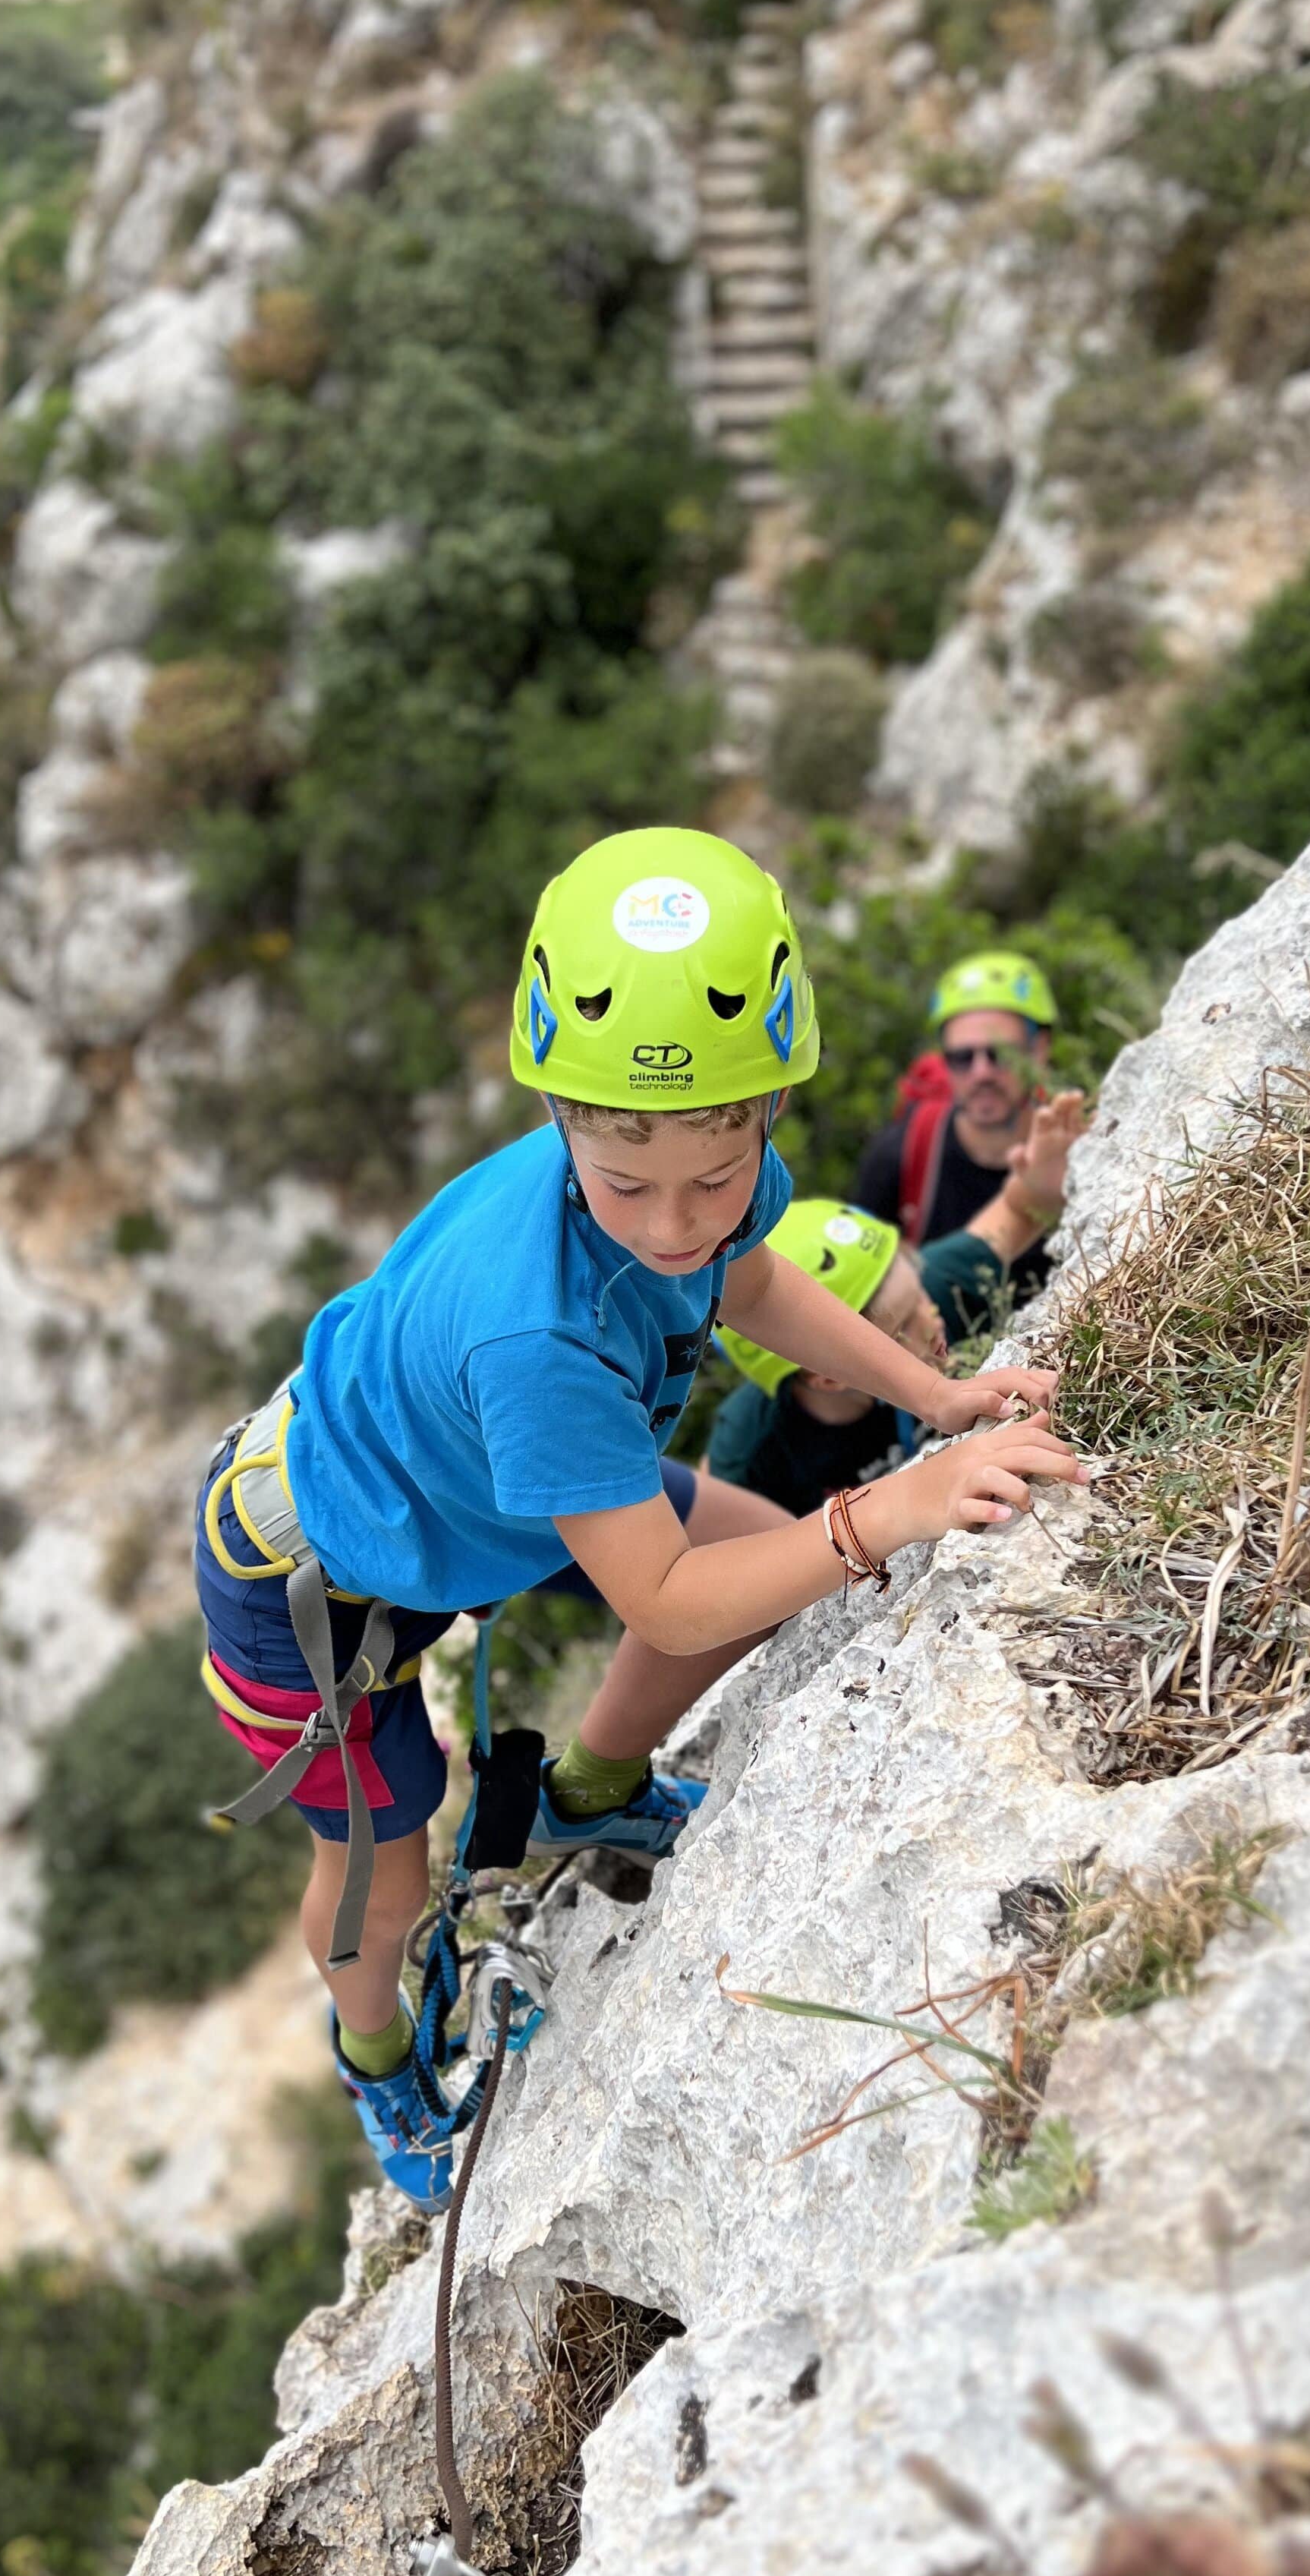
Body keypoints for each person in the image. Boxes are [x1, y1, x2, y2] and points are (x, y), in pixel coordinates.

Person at [191, 828, 1088, 2209]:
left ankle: (587, 1795)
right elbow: (660, 1600)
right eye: (625, 1185)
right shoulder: (532, 1331)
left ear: (762, 1112)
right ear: (560, 1121)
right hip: (316, 1579)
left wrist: (937, 1391)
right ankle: (374, 2052)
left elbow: (750, 1283)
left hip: (483, 1488)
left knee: (749, 1551)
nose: (673, 1222)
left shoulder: (687, 1175)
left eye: (712, 1177)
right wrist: (882, 1508)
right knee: (386, 1861)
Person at [709, 1197, 1016, 1515]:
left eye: (919, 1292)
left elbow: (1013, 1214)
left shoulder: (934, 1289)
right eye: (904, 1326)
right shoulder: (754, 1461)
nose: (932, 1317)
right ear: (829, 1376)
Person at [852, 951, 1088, 1275]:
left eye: (1000, 1054)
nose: (982, 1073)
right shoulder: (901, 1156)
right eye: (963, 1057)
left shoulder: (1082, 1150)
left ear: (1040, 1049)